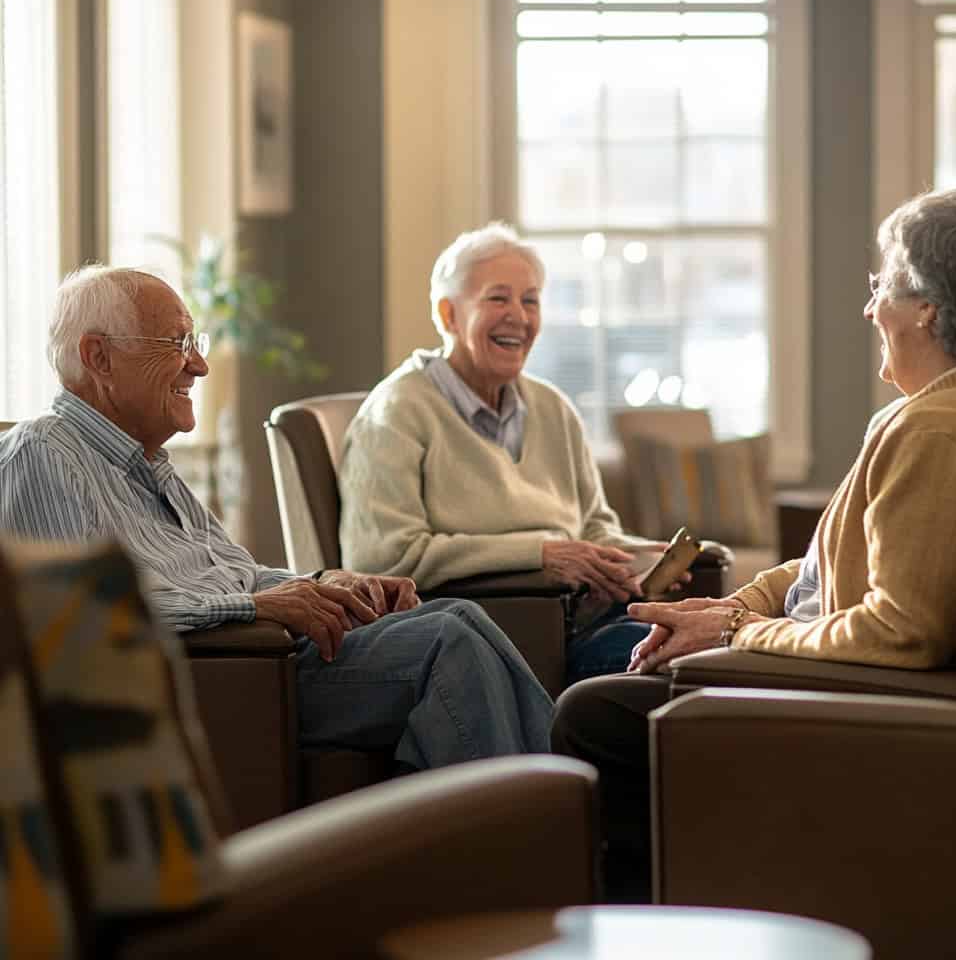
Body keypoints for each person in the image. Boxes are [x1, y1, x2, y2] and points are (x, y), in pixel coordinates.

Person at [552, 186, 956, 900]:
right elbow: (837, 563)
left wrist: (740, 632)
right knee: (622, 675)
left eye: (883, 285)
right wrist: (739, 603)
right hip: (843, 670)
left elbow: (906, 633)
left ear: (926, 306)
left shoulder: (940, 432)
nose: (871, 308)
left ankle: (648, 927)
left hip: (870, 700)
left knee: (590, 712)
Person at [0, 265, 553, 769]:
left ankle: (556, 815)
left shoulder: (147, 465)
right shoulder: (43, 456)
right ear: (98, 357)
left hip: (262, 653)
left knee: (459, 616)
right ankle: (519, 848)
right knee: (444, 642)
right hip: (224, 677)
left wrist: (322, 582)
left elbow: (234, 572)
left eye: (195, 342)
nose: (199, 363)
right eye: (177, 343)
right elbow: (83, 621)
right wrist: (253, 607)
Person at [339, 223, 671, 684]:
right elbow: (380, 557)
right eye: (498, 298)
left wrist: (644, 558)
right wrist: (538, 555)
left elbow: (594, 525)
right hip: (487, 641)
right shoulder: (397, 412)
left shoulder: (554, 407)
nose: (518, 315)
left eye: (530, 300)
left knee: (709, 644)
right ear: (448, 314)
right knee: (671, 665)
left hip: (586, 621)